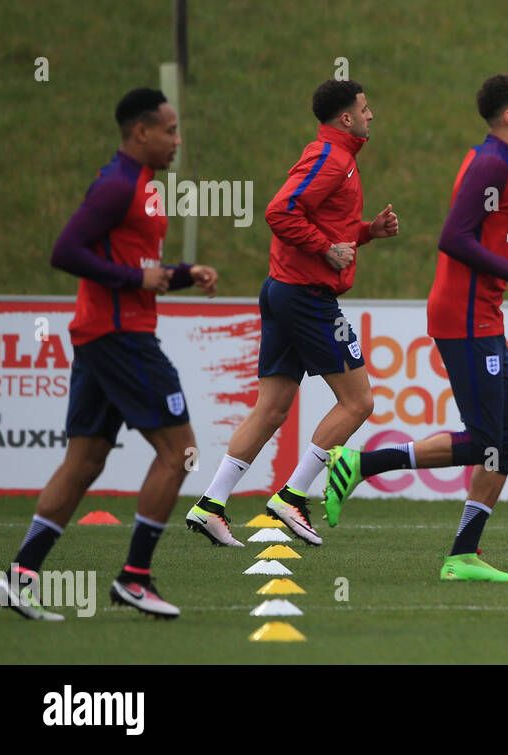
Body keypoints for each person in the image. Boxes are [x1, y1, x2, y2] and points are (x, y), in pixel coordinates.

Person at [322, 74, 508, 583]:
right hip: (465, 317)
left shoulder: (507, 164)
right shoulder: (494, 163)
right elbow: (454, 238)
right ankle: (361, 465)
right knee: (485, 441)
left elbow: (484, 241)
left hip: (483, 316)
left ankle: (462, 555)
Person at [0, 88, 218, 620]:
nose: (177, 141)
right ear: (140, 132)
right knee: (180, 451)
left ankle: (17, 578)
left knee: (85, 460)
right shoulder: (117, 185)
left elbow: (138, 265)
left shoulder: (144, 187)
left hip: (105, 334)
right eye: (170, 131)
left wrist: (184, 274)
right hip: (121, 337)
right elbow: (66, 251)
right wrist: (133, 277)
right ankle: (134, 579)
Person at [183, 79, 398, 547]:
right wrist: (327, 249)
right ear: (346, 118)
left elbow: (324, 225)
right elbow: (280, 211)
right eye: (365, 108)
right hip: (306, 297)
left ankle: (211, 504)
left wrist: (366, 233)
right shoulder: (332, 158)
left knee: (273, 407)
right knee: (358, 402)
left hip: (286, 290)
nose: (370, 114)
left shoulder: (338, 157)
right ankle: (293, 497)